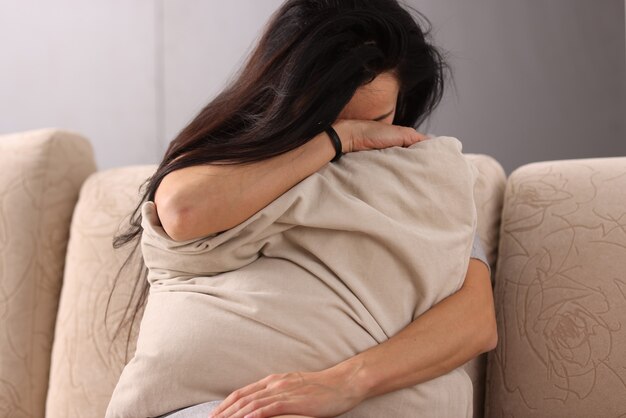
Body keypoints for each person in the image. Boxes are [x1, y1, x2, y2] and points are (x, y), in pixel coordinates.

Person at [107, 1, 497, 417]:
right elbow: (184, 211)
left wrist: (344, 382)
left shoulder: (419, 181)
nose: (363, 133)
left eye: (377, 119)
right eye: (330, 118)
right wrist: (337, 140)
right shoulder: (225, 165)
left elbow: (474, 320)